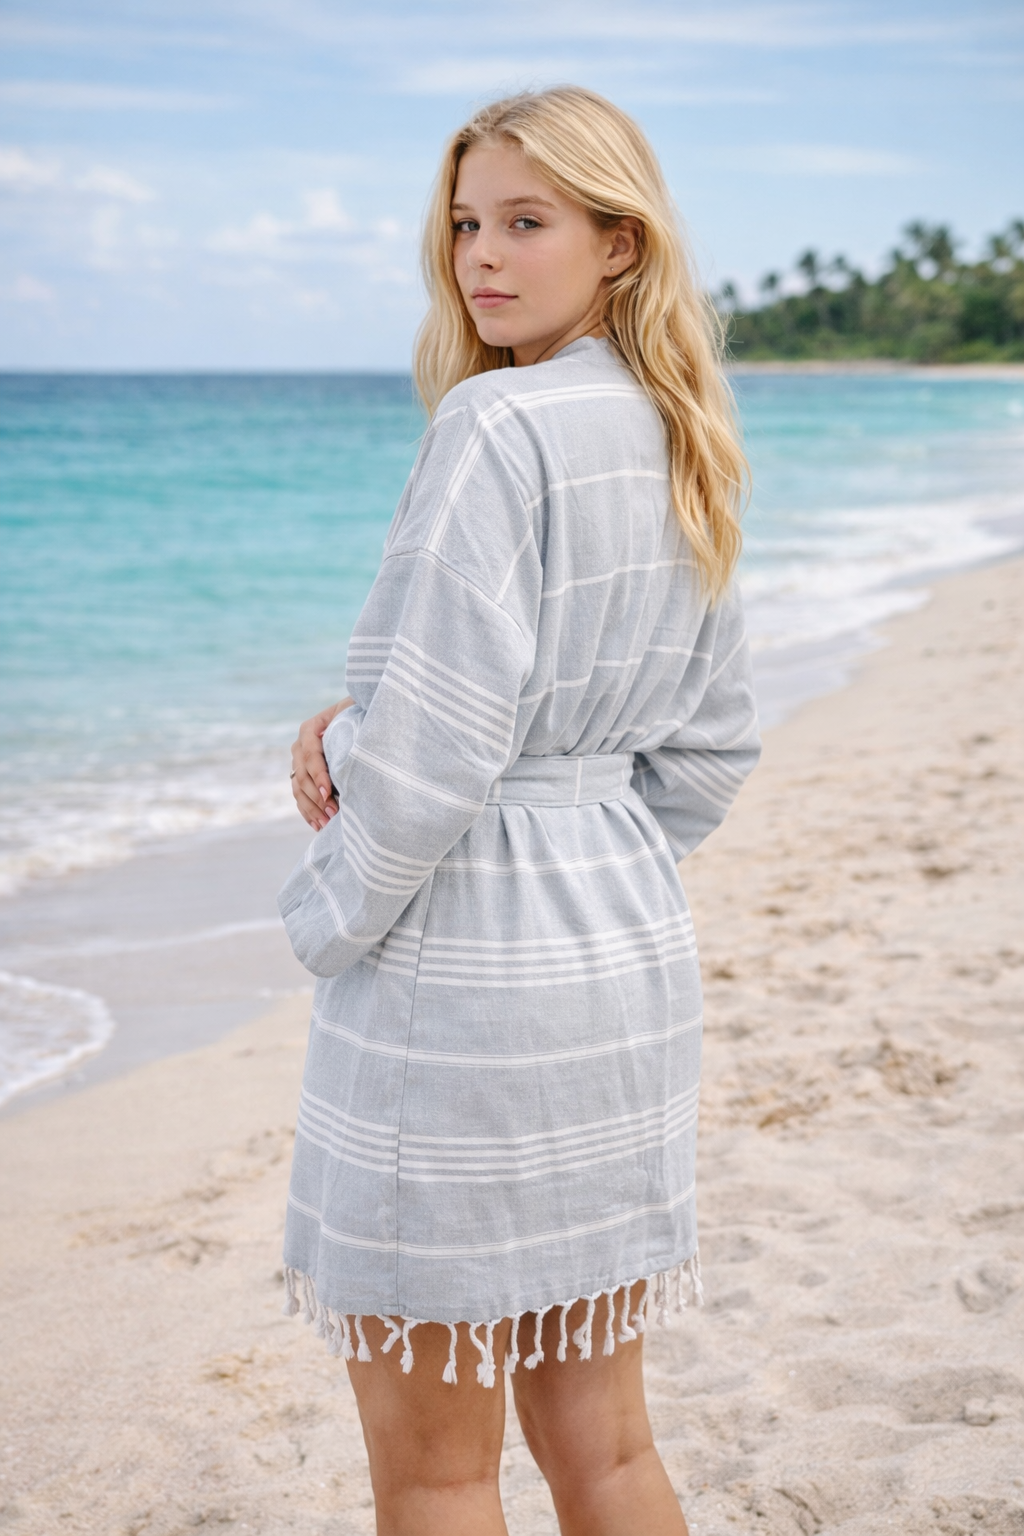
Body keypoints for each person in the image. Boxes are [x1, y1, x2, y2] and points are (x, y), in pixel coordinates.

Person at [281, 85, 759, 1536]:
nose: (481, 256)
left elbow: (429, 758)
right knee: (605, 1450)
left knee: (435, 1472)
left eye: (527, 222)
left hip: (468, 992)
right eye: (468, 222)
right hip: (621, 964)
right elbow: (712, 749)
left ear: (620, 244)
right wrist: (586, 852)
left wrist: (324, 908)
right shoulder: (682, 432)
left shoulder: (496, 426)